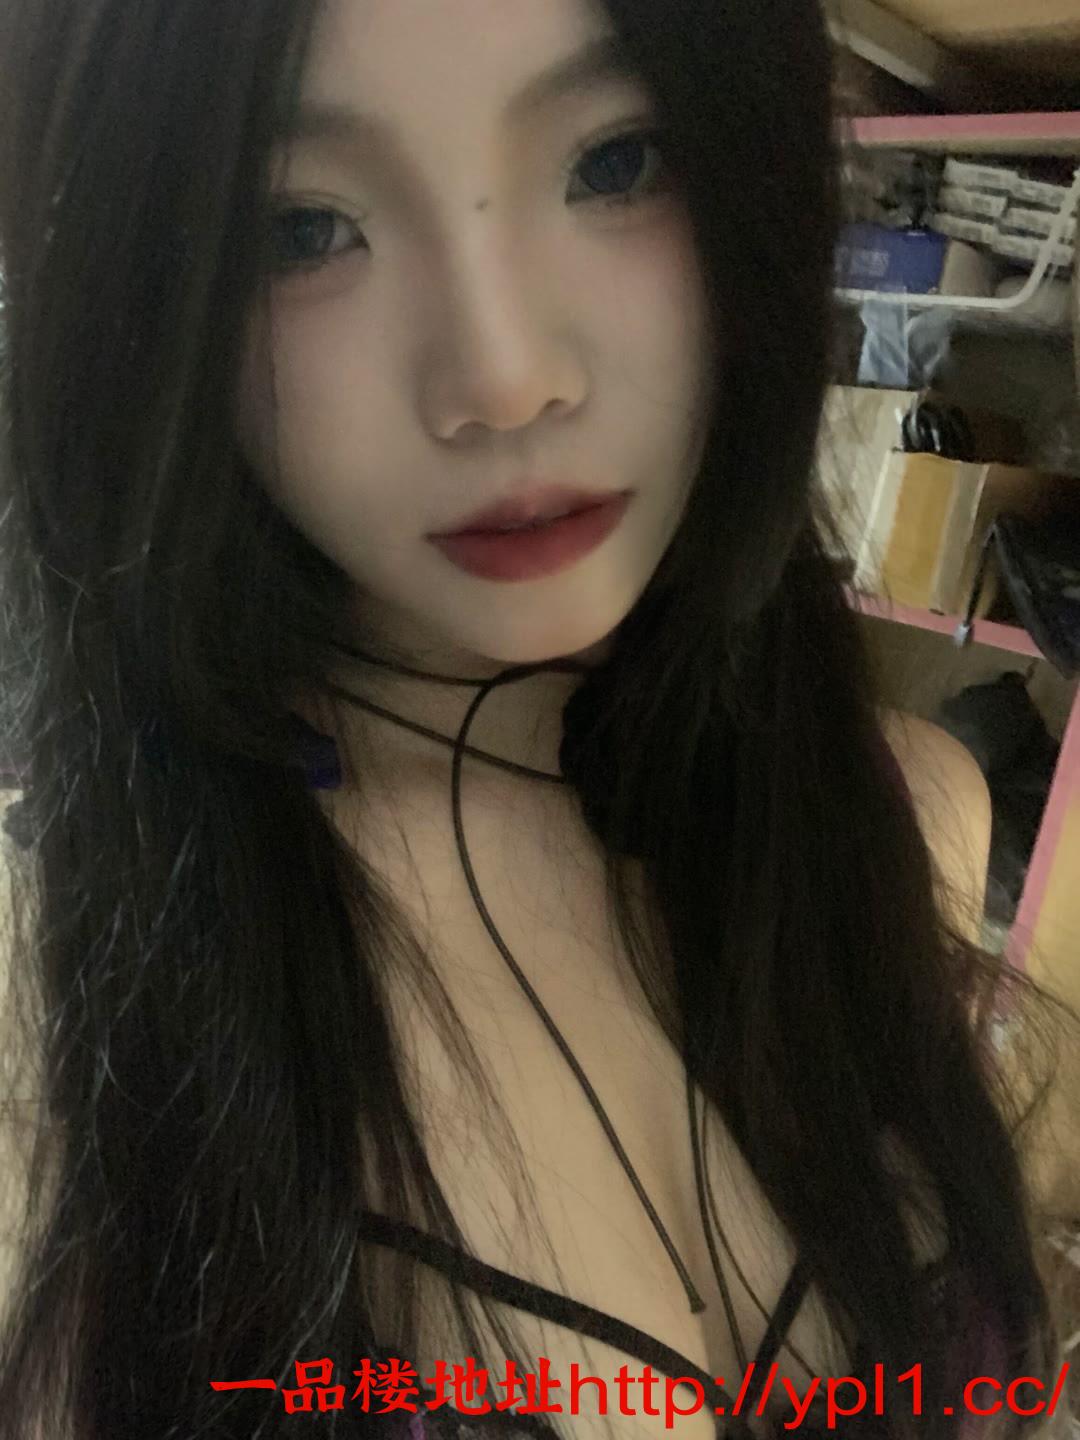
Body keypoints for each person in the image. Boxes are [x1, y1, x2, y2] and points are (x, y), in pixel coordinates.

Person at [0, 0, 1077, 1437]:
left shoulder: (906, 815)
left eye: (616, 162)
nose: (506, 381)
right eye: (300, 231)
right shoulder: (60, 1037)